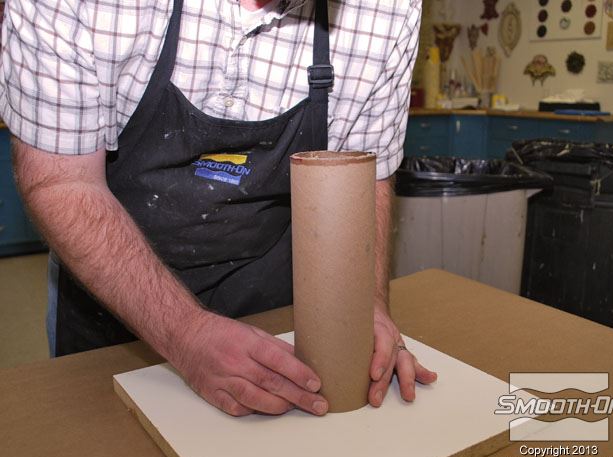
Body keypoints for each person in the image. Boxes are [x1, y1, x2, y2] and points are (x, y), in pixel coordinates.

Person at [0, 0, 436, 416]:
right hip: (111, 303)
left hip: (271, 311)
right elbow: (63, 181)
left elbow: (364, 177)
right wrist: (185, 332)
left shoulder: (387, 10)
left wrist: (363, 305)